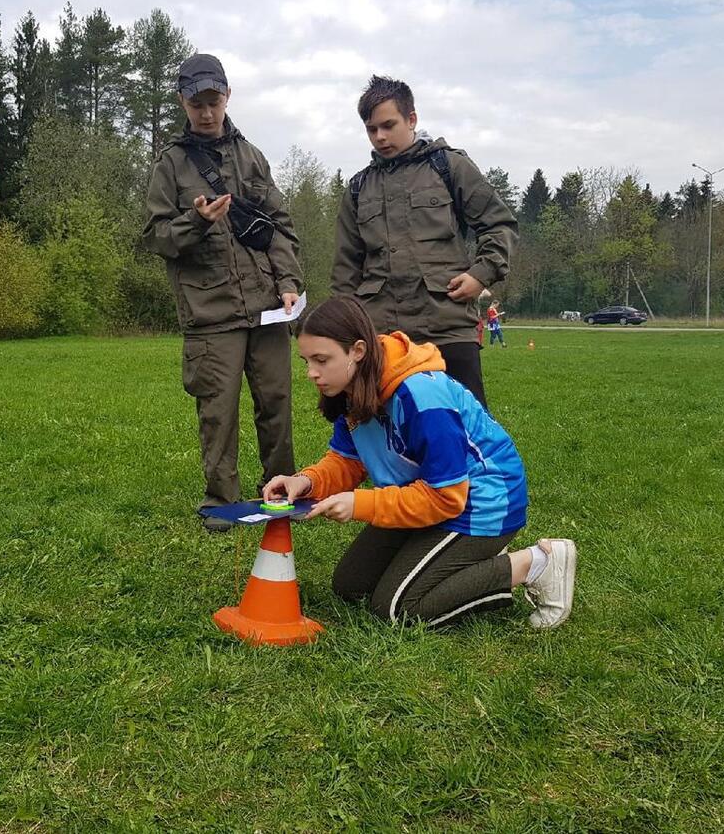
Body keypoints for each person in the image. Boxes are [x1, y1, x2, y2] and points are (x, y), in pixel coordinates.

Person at [263, 297, 577, 630]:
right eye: (307, 360)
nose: (312, 373)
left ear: (357, 350)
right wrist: (307, 481)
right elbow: (347, 460)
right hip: (425, 497)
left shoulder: (421, 395)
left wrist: (361, 503)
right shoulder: (350, 387)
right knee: (351, 586)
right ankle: (462, 562)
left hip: (482, 503)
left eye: (321, 360)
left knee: (398, 609)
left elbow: (448, 497)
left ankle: (537, 563)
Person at [142, 54, 304, 531]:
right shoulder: (170, 163)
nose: (206, 112)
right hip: (209, 311)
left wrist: (289, 283)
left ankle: (279, 489)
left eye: (213, 101)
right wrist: (196, 220)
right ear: (182, 102)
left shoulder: (251, 157)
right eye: (196, 103)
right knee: (218, 410)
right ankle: (221, 502)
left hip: (267, 308)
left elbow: (280, 225)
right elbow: (154, 235)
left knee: (276, 403)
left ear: (227, 96)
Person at [331, 75, 518, 408]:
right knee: (384, 435)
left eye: (388, 125)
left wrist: (481, 273)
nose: (380, 137)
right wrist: (345, 334)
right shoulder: (359, 188)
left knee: (466, 431)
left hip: (447, 325)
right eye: (372, 129)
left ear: (412, 119)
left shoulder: (449, 166)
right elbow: (346, 269)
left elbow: (498, 223)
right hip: (382, 335)